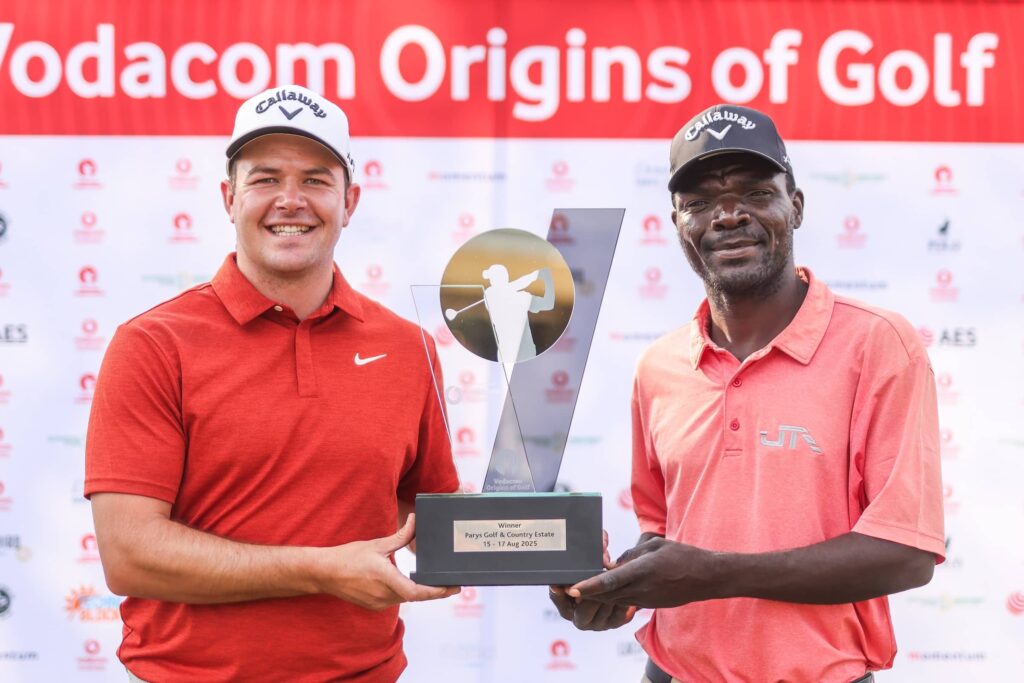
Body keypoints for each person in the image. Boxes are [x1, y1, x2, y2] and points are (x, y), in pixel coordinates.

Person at [549, 104, 944, 683]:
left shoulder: (878, 344)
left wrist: (712, 573)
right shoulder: (658, 367)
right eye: (701, 202)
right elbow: (665, 539)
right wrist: (613, 590)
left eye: (756, 193)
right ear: (677, 222)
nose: (728, 215)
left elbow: (905, 554)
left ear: (797, 206)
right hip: (672, 672)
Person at [85, 85, 460, 683]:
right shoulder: (153, 345)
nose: (291, 200)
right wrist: (321, 569)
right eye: (265, 179)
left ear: (350, 201)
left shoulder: (407, 347)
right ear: (229, 198)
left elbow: (429, 511)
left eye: (315, 180)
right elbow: (129, 556)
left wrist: (553, 551)